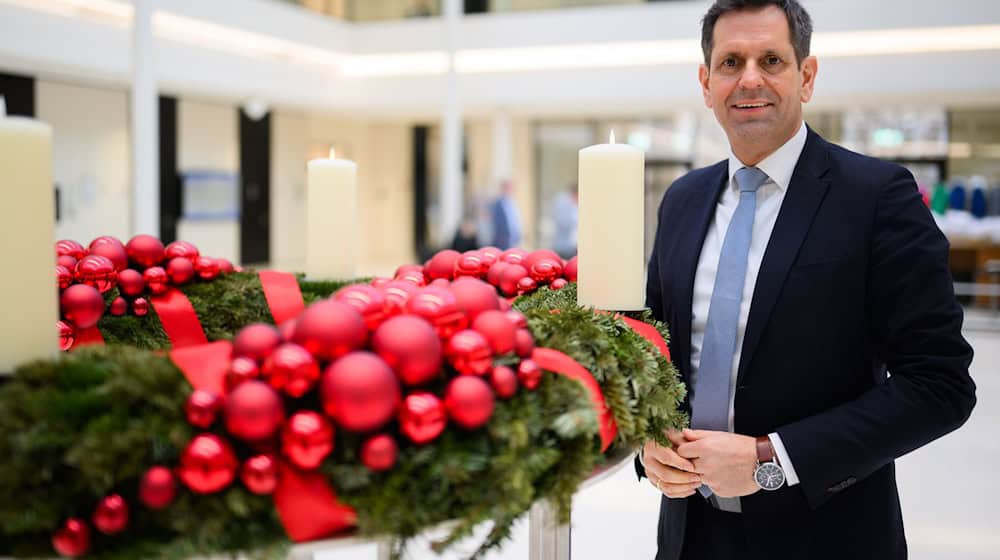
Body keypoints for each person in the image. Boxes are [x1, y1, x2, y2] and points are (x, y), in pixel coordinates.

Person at [637, 2, 976, 559]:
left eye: (771, 59)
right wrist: (648, 442)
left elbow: (940, 386)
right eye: (730, 62)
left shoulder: (876, 198)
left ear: (807, 76)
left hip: (826, 535)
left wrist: (770, 460)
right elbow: (654, 358)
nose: (750, 78)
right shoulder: (682, 202)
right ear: (706, 82)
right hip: (689, 536)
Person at [490, 179, 523, 250]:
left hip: (513, 240)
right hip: (502, 242)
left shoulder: (513, 202)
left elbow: (515, 222)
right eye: (508, 187)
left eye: (511, 187)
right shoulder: (498, 203)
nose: (510, 190)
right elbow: (497, 225)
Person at [551, 183, 579, 259]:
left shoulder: (574, 204)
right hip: (564, 248)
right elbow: (564, 222)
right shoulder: (563, 202)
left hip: (573, 248)